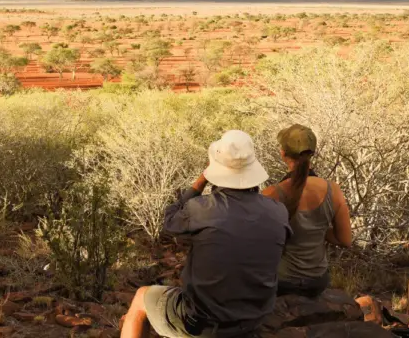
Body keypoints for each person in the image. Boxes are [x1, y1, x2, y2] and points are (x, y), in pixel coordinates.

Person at [121, 130, 291, 338]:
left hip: (204, 324)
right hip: (253, 320)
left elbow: (169, 222)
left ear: (215, 170)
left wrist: (199, 183)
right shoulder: (278, 211)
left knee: (140, 299)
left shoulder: (202, 209)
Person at [262, 124, 352, 298]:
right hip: (317, 280)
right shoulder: (333, 190)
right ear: (312, 153)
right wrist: (317, 228)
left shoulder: (272, 194)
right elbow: (345, 240)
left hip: (282, 281)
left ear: (283, 153)